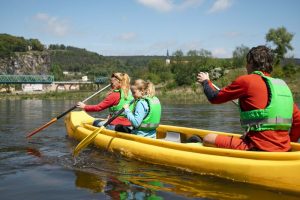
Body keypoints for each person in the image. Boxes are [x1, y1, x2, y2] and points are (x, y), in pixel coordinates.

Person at [197, 45, 300, 152]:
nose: (246, 66)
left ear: (251, 62)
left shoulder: (246, 81)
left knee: (208, 138)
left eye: (247, 62)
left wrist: (205, 81)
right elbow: (298, 121)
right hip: (285, 148)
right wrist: (289, 143)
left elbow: (214, 97)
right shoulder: (283, 87)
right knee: (244, 136)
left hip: (258, 148)